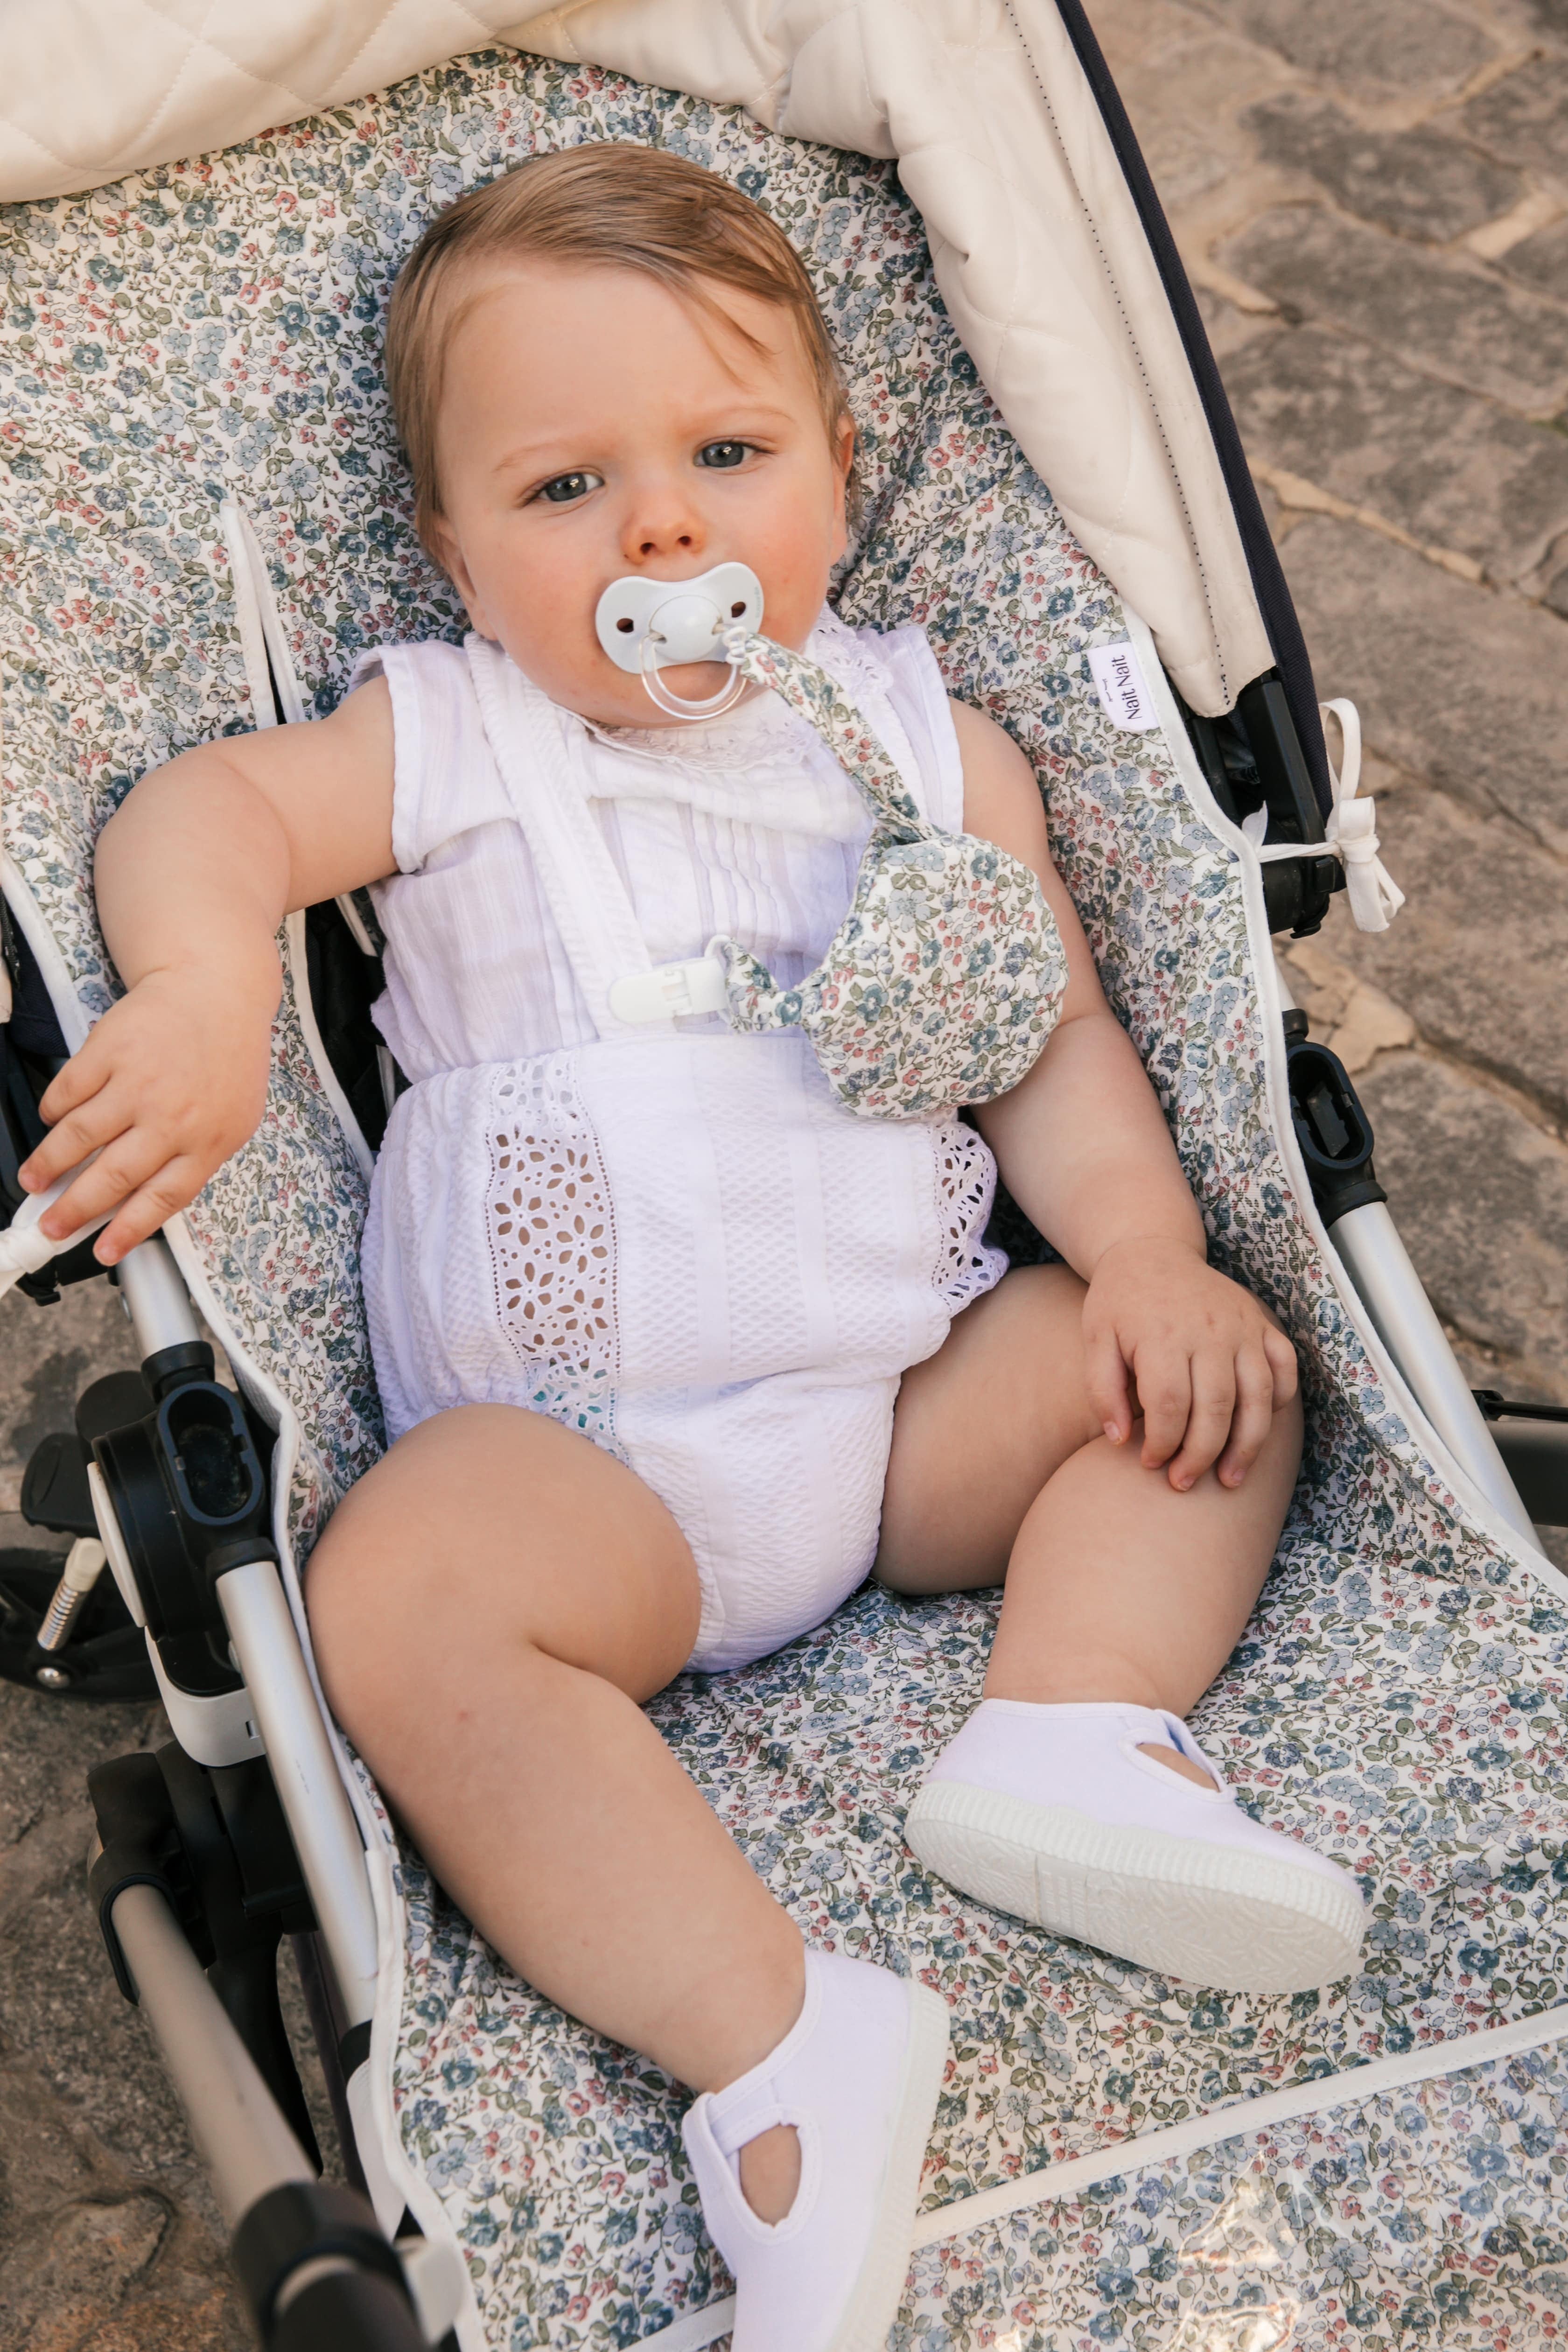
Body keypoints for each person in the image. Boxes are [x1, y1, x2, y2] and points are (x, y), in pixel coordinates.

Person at [19, 145, 1363, 2352]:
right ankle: (779, 2039)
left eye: (728, 458)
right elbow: (211, 817)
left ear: (835, 483)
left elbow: (1044, 1036)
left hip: (896, 1416)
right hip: (588, 1484)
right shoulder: (462, 737)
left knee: (1200, 1370)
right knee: (407, 1589)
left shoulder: (936, 750)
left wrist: (1137, 1253)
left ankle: (1072, 1727)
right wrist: (202, 993)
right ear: (458, 558)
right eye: (564, 491)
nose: (660, 532)